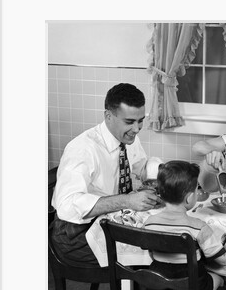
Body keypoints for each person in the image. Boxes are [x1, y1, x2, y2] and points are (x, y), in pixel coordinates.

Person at [50, 83, 163, 266]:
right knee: (154, 253)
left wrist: (168, 174)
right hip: (74, 234)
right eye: (129, 122)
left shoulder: (128, 138)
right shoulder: (82, 149)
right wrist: (126, 201)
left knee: (162, 240)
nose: (136, 129)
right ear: (108, 116)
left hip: (109, 220)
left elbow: (141, 169)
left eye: (140, 120)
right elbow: (67, 206)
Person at [143, 160, 226, 290]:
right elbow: (224, 259)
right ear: (189, 198)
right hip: (193, 288)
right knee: (220, 278)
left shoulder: (149, 223)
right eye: (196, 189)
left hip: (158, 285)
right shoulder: (198, 228)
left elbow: (152, 254)